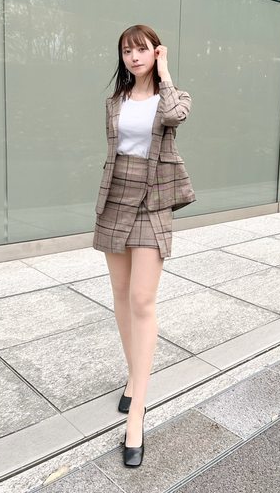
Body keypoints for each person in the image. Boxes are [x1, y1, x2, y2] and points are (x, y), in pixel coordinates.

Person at [92, 24, 196, 468]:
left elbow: (174, 116)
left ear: (156, 52)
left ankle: (137, 414)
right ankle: (134, 378)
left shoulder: (174, 96)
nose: (133, 57)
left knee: (141, 299)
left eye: (142, 49)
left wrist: (166, 72)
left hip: (152, 201)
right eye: (126, 51)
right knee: (120, 295)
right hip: (116, 196)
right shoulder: (115, 100)